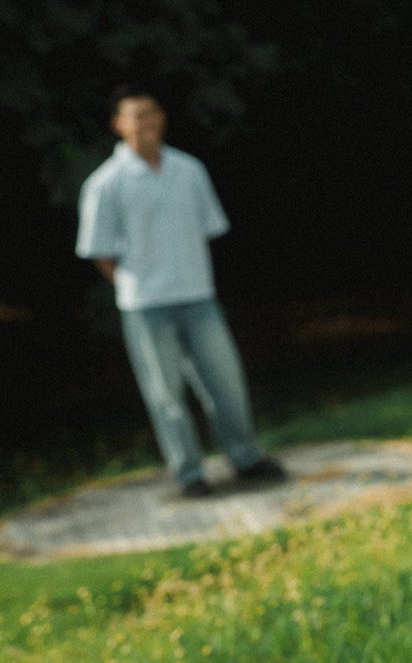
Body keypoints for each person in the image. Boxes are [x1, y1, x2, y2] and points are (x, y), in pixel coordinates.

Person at [76, 87, 286, 498]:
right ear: (119, 125)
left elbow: (207, 228)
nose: (147, 122)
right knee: (166, 395)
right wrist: (133, 284)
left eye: (152, 112)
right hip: (147, 306)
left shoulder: (189, 170)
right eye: (137, 115)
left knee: (225, 382)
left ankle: (245, 456)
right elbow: (99, 251)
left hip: (199, 297)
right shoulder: (106, 183)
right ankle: (190, 474)